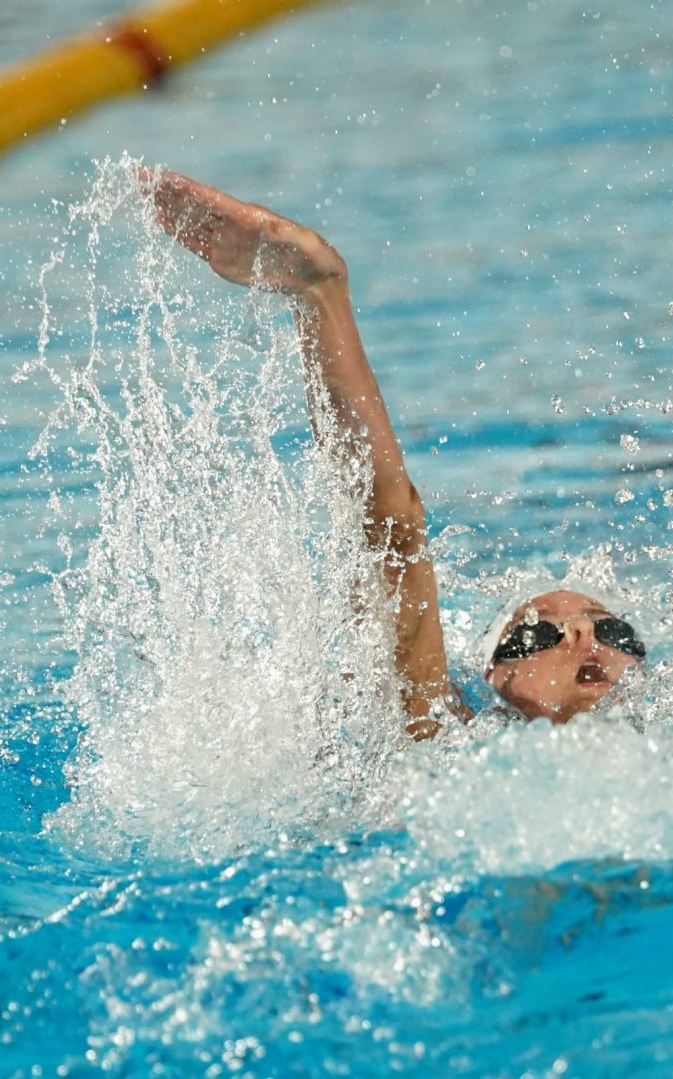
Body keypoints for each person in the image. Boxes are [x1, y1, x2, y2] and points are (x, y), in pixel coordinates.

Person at [145, 169, 647, 740]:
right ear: (494, 677)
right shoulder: (447, 740)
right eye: (535, 635)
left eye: (615, 633)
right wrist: (320, 293)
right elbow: (394, 531)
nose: (584, 639)